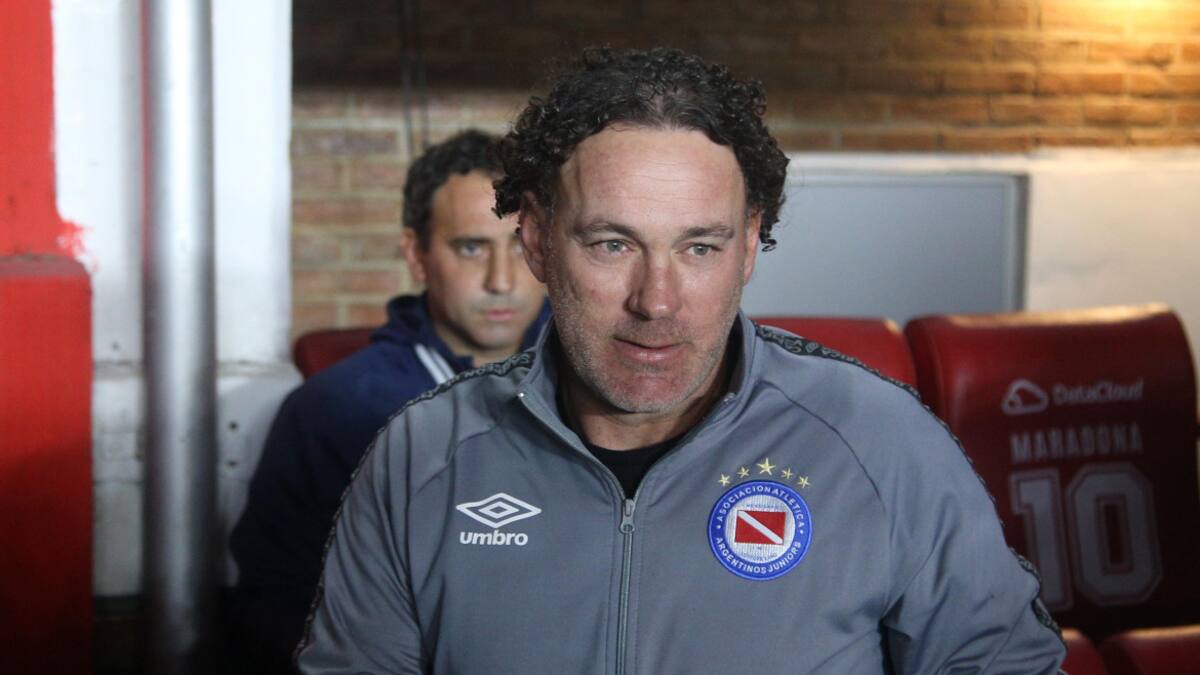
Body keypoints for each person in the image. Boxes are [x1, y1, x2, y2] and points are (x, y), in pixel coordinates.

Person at [297, 48, 1066, 673]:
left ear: (748, 245)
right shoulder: (422, 458)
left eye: (700, 246)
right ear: (535, 238)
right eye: (612, 244)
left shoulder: (882, 443)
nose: (657, 300)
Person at [229, 129, 549, 673]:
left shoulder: (596, 389)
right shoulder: (332, 410)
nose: (502, 280)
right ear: (416, 256)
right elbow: (276, 606)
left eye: (520, 246)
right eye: (472, 248)